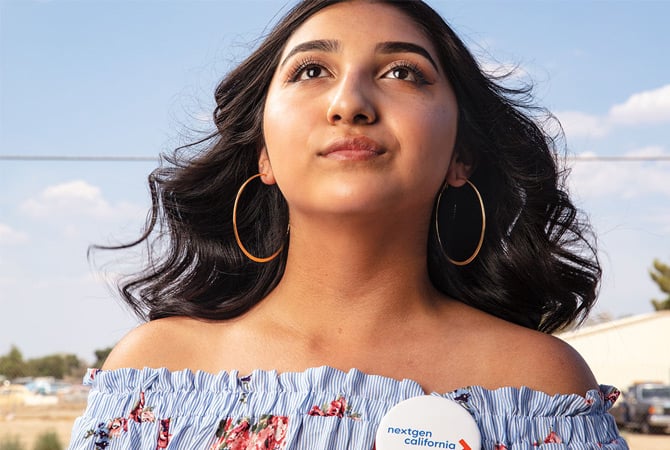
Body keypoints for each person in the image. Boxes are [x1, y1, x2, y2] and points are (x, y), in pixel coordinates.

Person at [68, 0, 629, 449]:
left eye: (403, 72)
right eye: (312, 70)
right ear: (262, 152)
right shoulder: (156, 372)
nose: (349, 102)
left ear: (463, 155)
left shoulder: (540, 383)